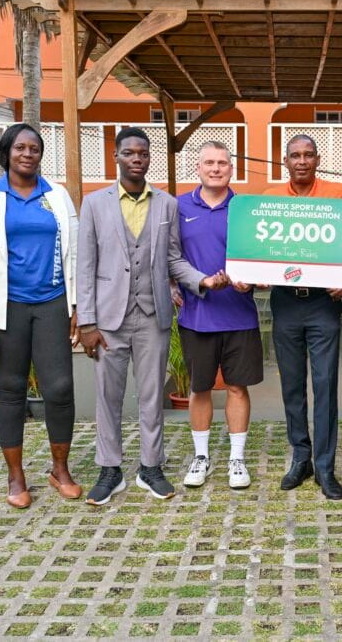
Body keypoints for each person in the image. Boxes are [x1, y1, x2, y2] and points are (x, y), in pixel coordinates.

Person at [76, 127, 227, 504]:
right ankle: (110, 470)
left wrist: (202, 281)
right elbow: (85, 266)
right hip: (109, 318)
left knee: (149, 396)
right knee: (108, 398)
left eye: (143, 153)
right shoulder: (94, 204)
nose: (137, 158)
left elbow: (174, 258)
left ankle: (150, 467)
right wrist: (87, 322)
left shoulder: (167, 205)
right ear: (116, 156)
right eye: (129, 153)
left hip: (152, 313)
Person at [0, 123, 81, 509]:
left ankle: (59, 469)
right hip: (6, 308)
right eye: (20, 148)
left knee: (60, 388)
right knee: (11, 389)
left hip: (52, 302)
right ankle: (16, 476)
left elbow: (76, 254)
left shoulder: (58, 196)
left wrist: (77, 306)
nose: (28, 154)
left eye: (34, 148)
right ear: (7, 153)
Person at [263, 134, 342, 500]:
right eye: (294, 155)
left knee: (325, 383)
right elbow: (259, 249)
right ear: (285, 162)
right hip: (285, 301)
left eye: (308, 155)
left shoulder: (339, 197)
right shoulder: (269, 202)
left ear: (317, 160)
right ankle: (300, 458)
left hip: (322, 304)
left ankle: (326, 467)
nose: (301, 161)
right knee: (292, 385)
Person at [177, 141, 263, 490]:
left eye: (222, 163)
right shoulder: (179, 206)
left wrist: (251, 282)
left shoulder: (246, 209)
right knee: (199, 389)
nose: (216, 168)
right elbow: (171, 257)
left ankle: (237, 459)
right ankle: (201, 456)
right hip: (196, 316)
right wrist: (195, 282)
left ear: (232, 169)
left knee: (237, 387)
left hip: (239, 315)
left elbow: (261, 256)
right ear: (197, 167)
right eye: (209, 163)